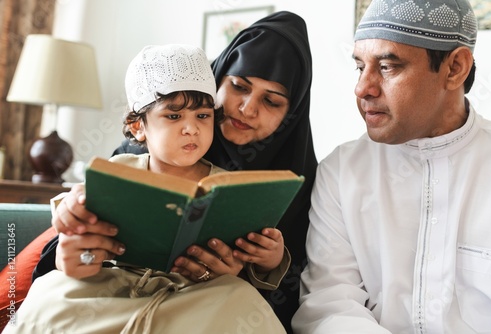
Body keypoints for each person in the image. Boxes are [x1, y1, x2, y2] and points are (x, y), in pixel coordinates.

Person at [33, 11, 317, 333]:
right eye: (238, 86)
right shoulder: (138, 154)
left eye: (272, 101)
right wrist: (71, 229)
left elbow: (298, 297)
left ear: (292, 113)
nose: (248, 109)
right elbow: (69, 247)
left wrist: (249, 269)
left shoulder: (304, 184)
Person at [292, 0, 491, 333]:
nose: (362, 88)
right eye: (360, 67)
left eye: (388, 66)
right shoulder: (342, 173)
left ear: (455, 68)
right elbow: (330, 304)